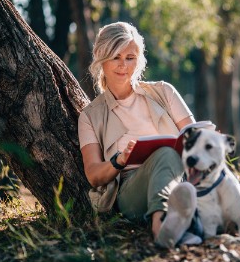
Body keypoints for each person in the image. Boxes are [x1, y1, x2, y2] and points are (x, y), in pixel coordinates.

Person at [78, 21, 202, 248]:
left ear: (139, 60)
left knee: (170, 158)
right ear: (100, 57)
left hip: (179, 175)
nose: (123, 65)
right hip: (131, 191)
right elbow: (94, 175)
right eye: (116, 57)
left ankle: (183, 220)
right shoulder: (90, 116)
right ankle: (161, 227)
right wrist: (118, 160)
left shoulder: (164, 92)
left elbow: (194, 137)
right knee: (165, 154)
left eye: (130, 57)